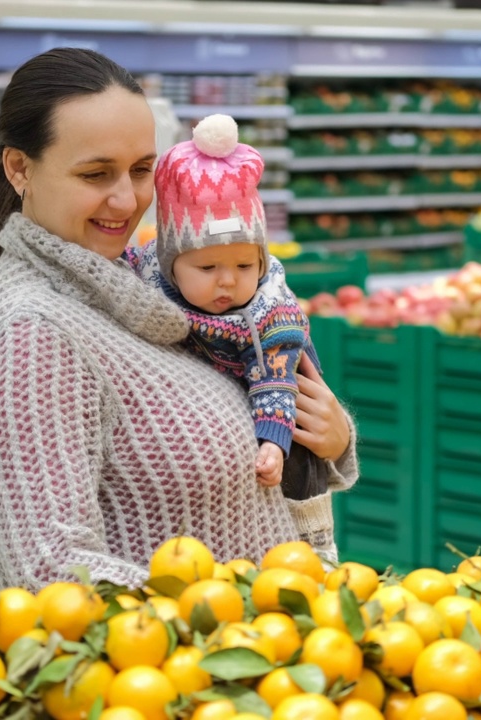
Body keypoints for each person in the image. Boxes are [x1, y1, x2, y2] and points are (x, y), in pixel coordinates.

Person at [0, 48, 359, 589]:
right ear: (19, 168)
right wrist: (228, 616)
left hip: (259, 655)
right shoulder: (30, 336)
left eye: (142, 170)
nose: (126, 200)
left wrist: (324, 435)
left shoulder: (143, 282)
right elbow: (51, 575)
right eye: (96, 174)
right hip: (182, 662)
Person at [123, 113, 338, 561]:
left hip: (283, 424)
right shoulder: (147, 276)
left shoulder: (269, 312)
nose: (228, 282)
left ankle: (316, 552)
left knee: (300, 505)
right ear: (169, 262)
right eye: (208, 268)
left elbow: (276, 383)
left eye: (244, 266)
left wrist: (274, 445)